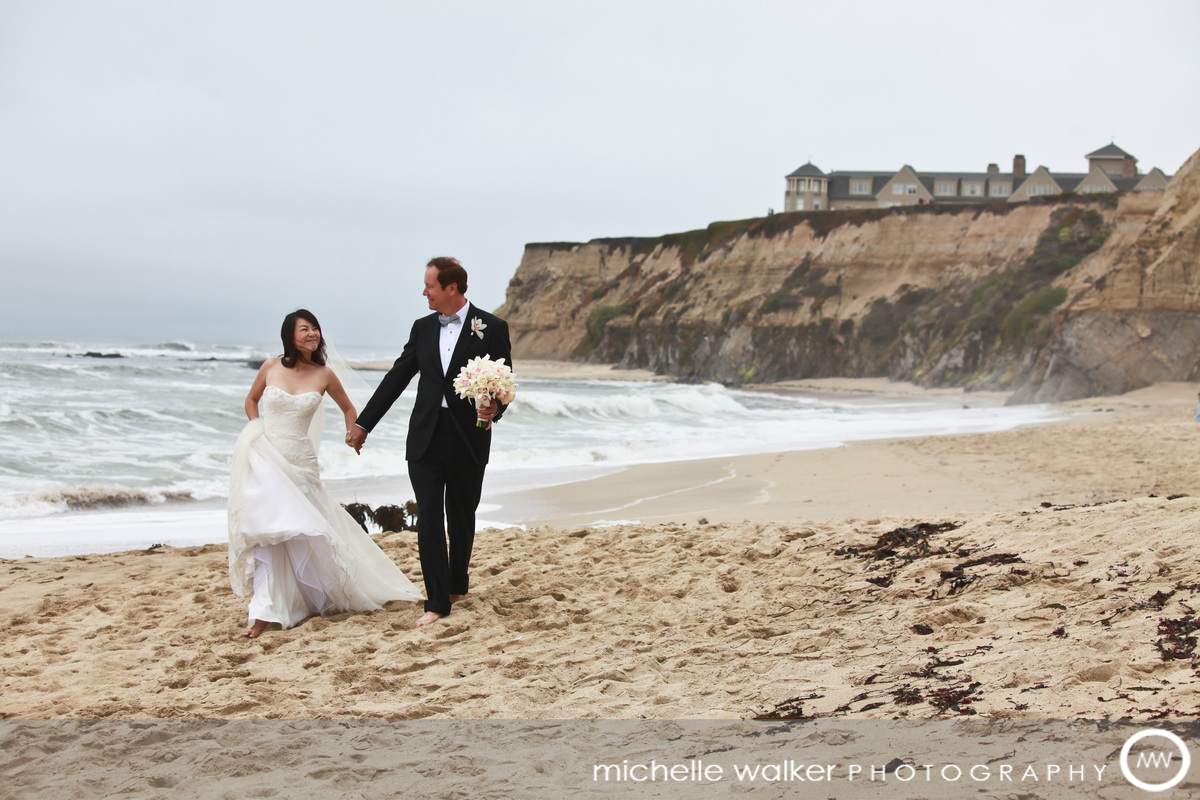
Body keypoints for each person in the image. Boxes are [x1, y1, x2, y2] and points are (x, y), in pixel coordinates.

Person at [228, 309, 422, 638]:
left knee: (305, 532)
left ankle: (310, 597)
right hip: (267, 456)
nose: (312, 334)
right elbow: (251, 400)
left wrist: (353, 434)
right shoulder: (270, 366)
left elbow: (349, 408)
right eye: (304, 329)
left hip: (301, 461)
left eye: (315, 329)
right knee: (268, 534)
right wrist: (254, 429)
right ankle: (262, 613)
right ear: (289, 335)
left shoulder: (324, 374)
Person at [347, 257, 512, 627]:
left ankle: (457, 583)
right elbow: (397, 378)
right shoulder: (422, 328)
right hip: (425, 435)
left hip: (469, 435)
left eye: (430, 286)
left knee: (461, 515)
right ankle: (437, 601)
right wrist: (363, 424)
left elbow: (504, 381)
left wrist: (492, 411)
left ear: (451, 288)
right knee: (430, 519)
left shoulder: (492, 327)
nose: (424, 292)